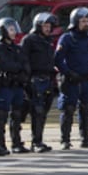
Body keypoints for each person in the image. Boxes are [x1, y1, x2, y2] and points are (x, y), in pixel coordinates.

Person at [54, 7, 88, 150]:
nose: (86, 24)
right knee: (68, 108)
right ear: (75, 22)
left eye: (87, 21)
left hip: (86, 79)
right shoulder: (67, 38)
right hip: (71, 80)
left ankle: (85, 138)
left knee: (86, 107)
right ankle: (65, 140)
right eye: (83, 21)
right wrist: (67, 73)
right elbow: (57, 60)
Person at [0, 17, 31, 156]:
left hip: (17, 85)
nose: (13, 32)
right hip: (5, 85)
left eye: (14, 29)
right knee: (1, 115)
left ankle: (16, 142)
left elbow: (25, 63)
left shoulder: (17, 48)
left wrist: (22, 71)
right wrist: (19, 68)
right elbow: (4, 65)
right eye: (11, 29)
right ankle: (0, 143)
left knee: (17, 114)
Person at [20, 12, 57, 153]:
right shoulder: (29, 40)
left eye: (49, 26)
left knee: (44, 112)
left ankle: (39, 139)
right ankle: (34, 142)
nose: (48, 29)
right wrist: (27, 80)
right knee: (36, 111)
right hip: (34, 80)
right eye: (45, 26)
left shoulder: (48, 41)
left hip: (47, 79)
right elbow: (24, 60)